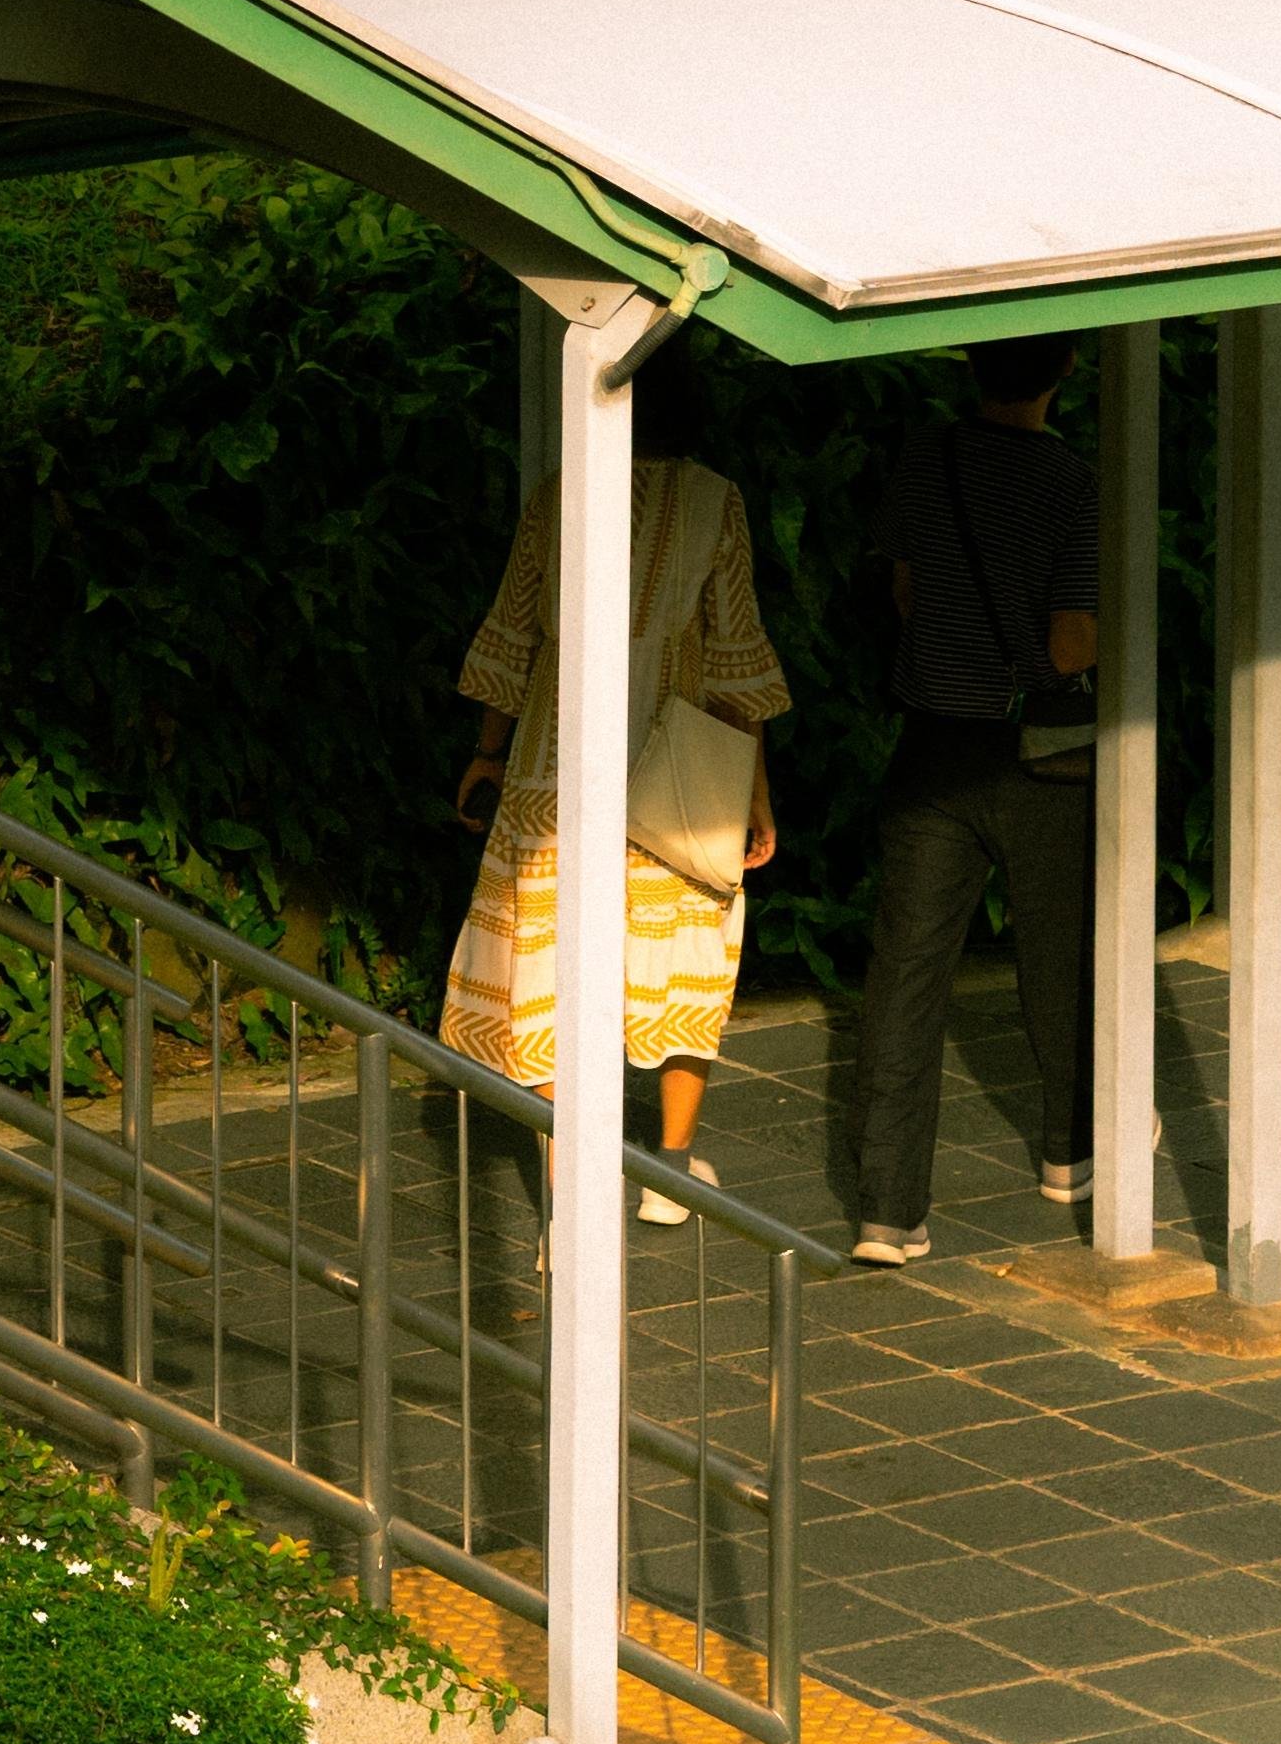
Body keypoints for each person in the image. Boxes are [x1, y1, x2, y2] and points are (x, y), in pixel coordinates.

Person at [443, 349, 788, 1232]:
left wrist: (486, 752)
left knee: (552, 962)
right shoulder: (719, 502)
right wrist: (755, 792)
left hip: (554, 765)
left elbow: (514, 633)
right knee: (685, 954)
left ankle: (570, 1185)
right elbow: (737, 660)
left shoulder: (564, 492)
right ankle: (669, 1168)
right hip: (675, 774)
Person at [842, 333, 1100, 1269]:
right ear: (1065, 372)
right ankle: (1071, 1154)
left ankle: (887, 1209)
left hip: (931, 749)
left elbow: (905, 589)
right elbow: (1072, 645)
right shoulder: (1074, 486)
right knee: (1061, 958)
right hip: (1041, 757)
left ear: (973, 366)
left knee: (906, 977)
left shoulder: (927, 459)